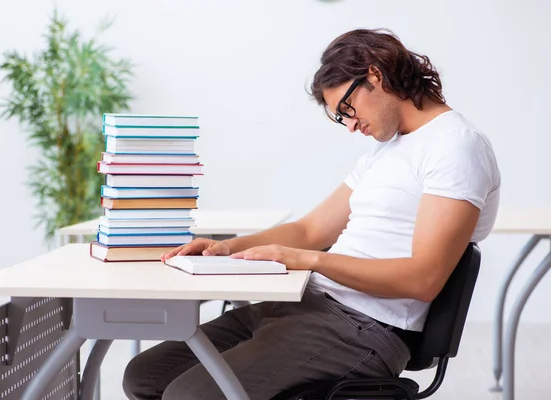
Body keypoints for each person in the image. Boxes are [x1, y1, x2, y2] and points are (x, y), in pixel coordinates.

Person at [122, 28, 501, 400]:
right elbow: (309, 230)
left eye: (347, 110)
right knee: (146, 375)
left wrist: (311, 261)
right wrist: (226, 249)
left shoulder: (455, 148)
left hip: (365, 328)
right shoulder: (387, 150)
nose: (351, 126)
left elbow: (423, 279)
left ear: (375, 75)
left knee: (190, 395)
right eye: (341, 117)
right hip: (310, 305)